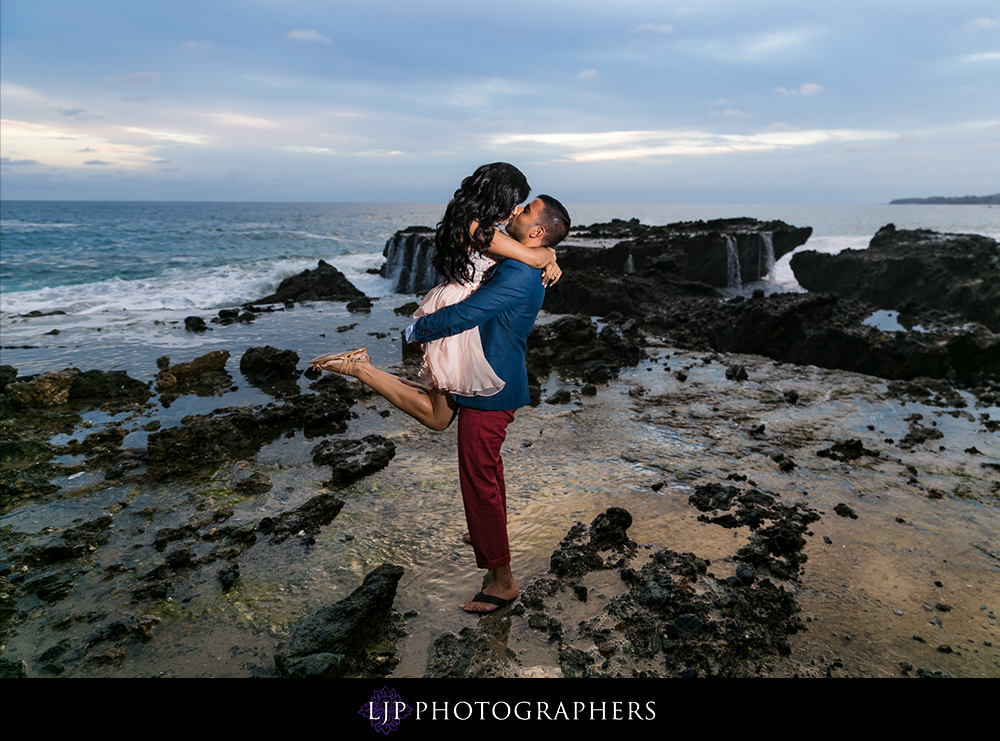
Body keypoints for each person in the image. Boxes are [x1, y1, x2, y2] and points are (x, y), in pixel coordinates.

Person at [312, 163, 564, 432]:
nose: (516, 209)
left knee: (439, 407)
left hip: (458, 302)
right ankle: (360, 370)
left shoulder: (478, 224)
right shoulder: (479, 229)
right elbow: (532, 256)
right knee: (437, 415)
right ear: (499, 196)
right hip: (460, 309)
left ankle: (361, 368)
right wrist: (549, 255)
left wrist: (549, 253)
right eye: (517, 202)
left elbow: (527, 252)